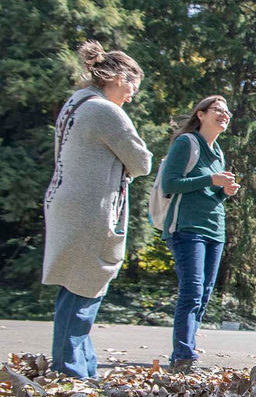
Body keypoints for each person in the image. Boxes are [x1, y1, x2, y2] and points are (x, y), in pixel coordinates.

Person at [42, 41, 152, 378]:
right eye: (133, 84)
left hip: (66, 202)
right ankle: (70, 373)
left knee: (76, 286)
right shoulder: (105, 111)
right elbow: (142, 161)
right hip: (89, 209)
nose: (133, 94)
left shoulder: (74, 104)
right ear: (119, 77)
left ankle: (83, 368)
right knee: (83, 288)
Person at [160, 94, 241, 373]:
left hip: (214, 230)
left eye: (227, 111)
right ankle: (183, 356)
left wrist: (223, 191)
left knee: (204, 294)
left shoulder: (218, 152)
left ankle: (188, 350)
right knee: (192, 291)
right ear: (201, 114)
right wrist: (210, 179)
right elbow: (169, 184)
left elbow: (209, 194)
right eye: (217, 110)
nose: (224, 114)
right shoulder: (187, 143)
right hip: (185, 228)